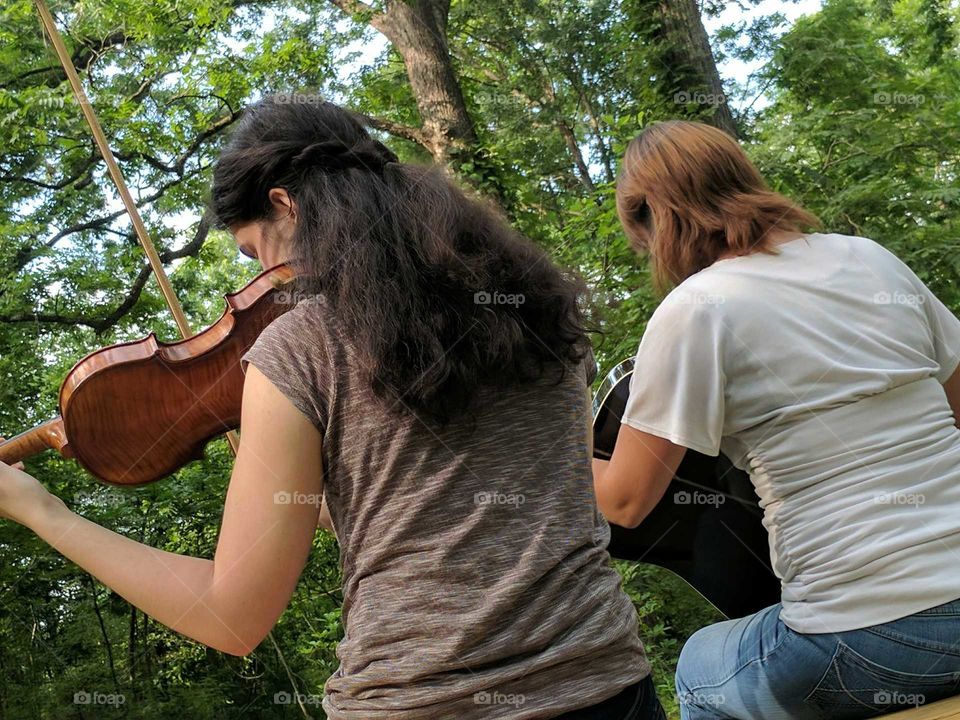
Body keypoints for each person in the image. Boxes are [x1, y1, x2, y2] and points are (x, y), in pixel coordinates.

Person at [0, 95, 666, 719]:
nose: (255, 279)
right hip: (611, 686)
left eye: (252, 251)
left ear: (287, 206)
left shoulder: (302, 343)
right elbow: (454, 508)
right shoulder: (533, 307)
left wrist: (42, 512)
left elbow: (233, 616)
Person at [592, 119, 960, 719]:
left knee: (700, 665)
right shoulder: (871, 260)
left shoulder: (695, 310)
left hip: (873, 635)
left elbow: (625, 502)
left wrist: (552, 439)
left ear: (651, 217)